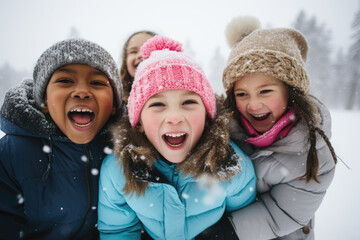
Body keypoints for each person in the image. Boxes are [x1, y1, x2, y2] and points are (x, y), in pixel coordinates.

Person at [97, 35, 256, 240]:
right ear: (139, 123)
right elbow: (118, 230)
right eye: (157, 105)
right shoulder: (119, 169)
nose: (174, 117)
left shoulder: (233, 166)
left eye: (188, 102)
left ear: (207, 117)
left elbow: (244, 224)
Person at [213, 16, 337, 239]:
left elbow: (281, 215)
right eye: (242, 94)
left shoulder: (314, 150)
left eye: (265, 91)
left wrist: (226, 232)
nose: (253, 104)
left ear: (291, 92)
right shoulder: (225, 127)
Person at [0, 38, 123, 239]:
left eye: (97, 83)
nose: (82, 92)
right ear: (44, 102)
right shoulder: (10, 155)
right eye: (65, 81)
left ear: (114, 106)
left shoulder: (125, 150)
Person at [119, 31, 156, 110]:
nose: (141, 55)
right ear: (125, 60)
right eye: (133, 52)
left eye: (148, 50)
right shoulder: (117, 101)